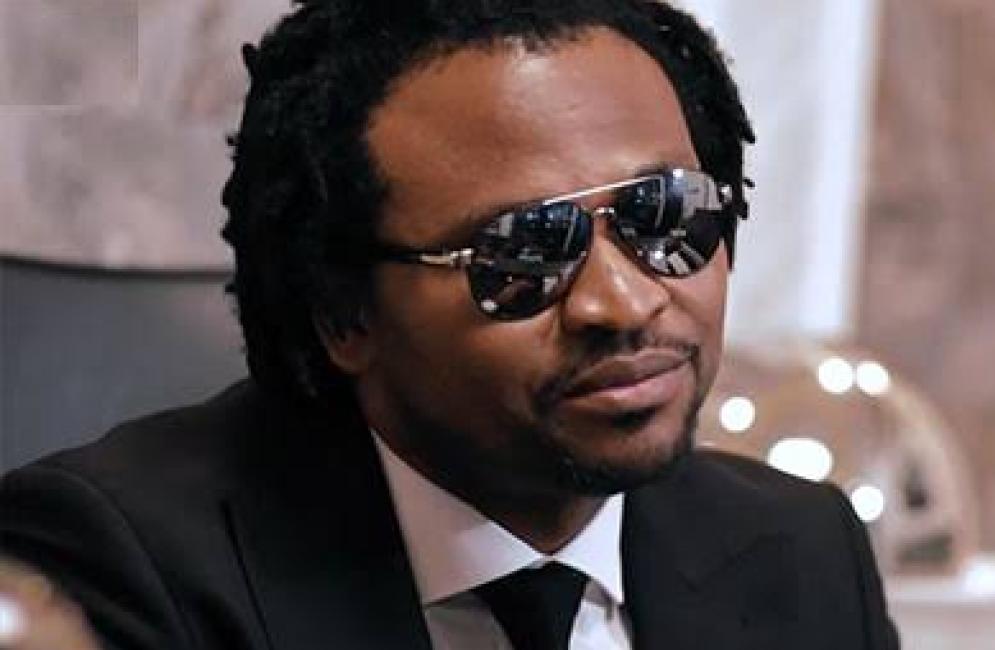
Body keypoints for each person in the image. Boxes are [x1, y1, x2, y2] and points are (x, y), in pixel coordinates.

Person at [0, 1, 899, 648]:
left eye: (664, 216)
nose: (624, 304)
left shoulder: (802, 552)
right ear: (344, 313)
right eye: (524, 252)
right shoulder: (119, 567)